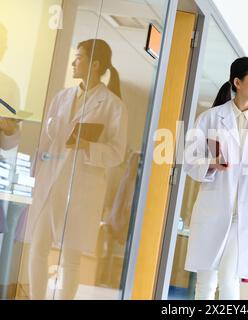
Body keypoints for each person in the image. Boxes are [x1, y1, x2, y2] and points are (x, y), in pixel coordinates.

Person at [27, 39, 128, 299]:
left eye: (79, 58)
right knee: (37, 248)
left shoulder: (113, 105)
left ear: (94, 64)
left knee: (70, 259)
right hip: (51, 183)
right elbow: (45, 142)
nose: (74, 63)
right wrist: (37, 173)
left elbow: (117, 154)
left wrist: (86, 146)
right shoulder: (62, 97)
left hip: (82, 188)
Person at [184, 57, 248, 300]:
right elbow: (188, 160)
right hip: (213, 208)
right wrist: (211, 164)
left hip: (244, 214)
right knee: (205, 283)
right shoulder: (210, 118)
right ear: (237, 82)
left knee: (229, 281)